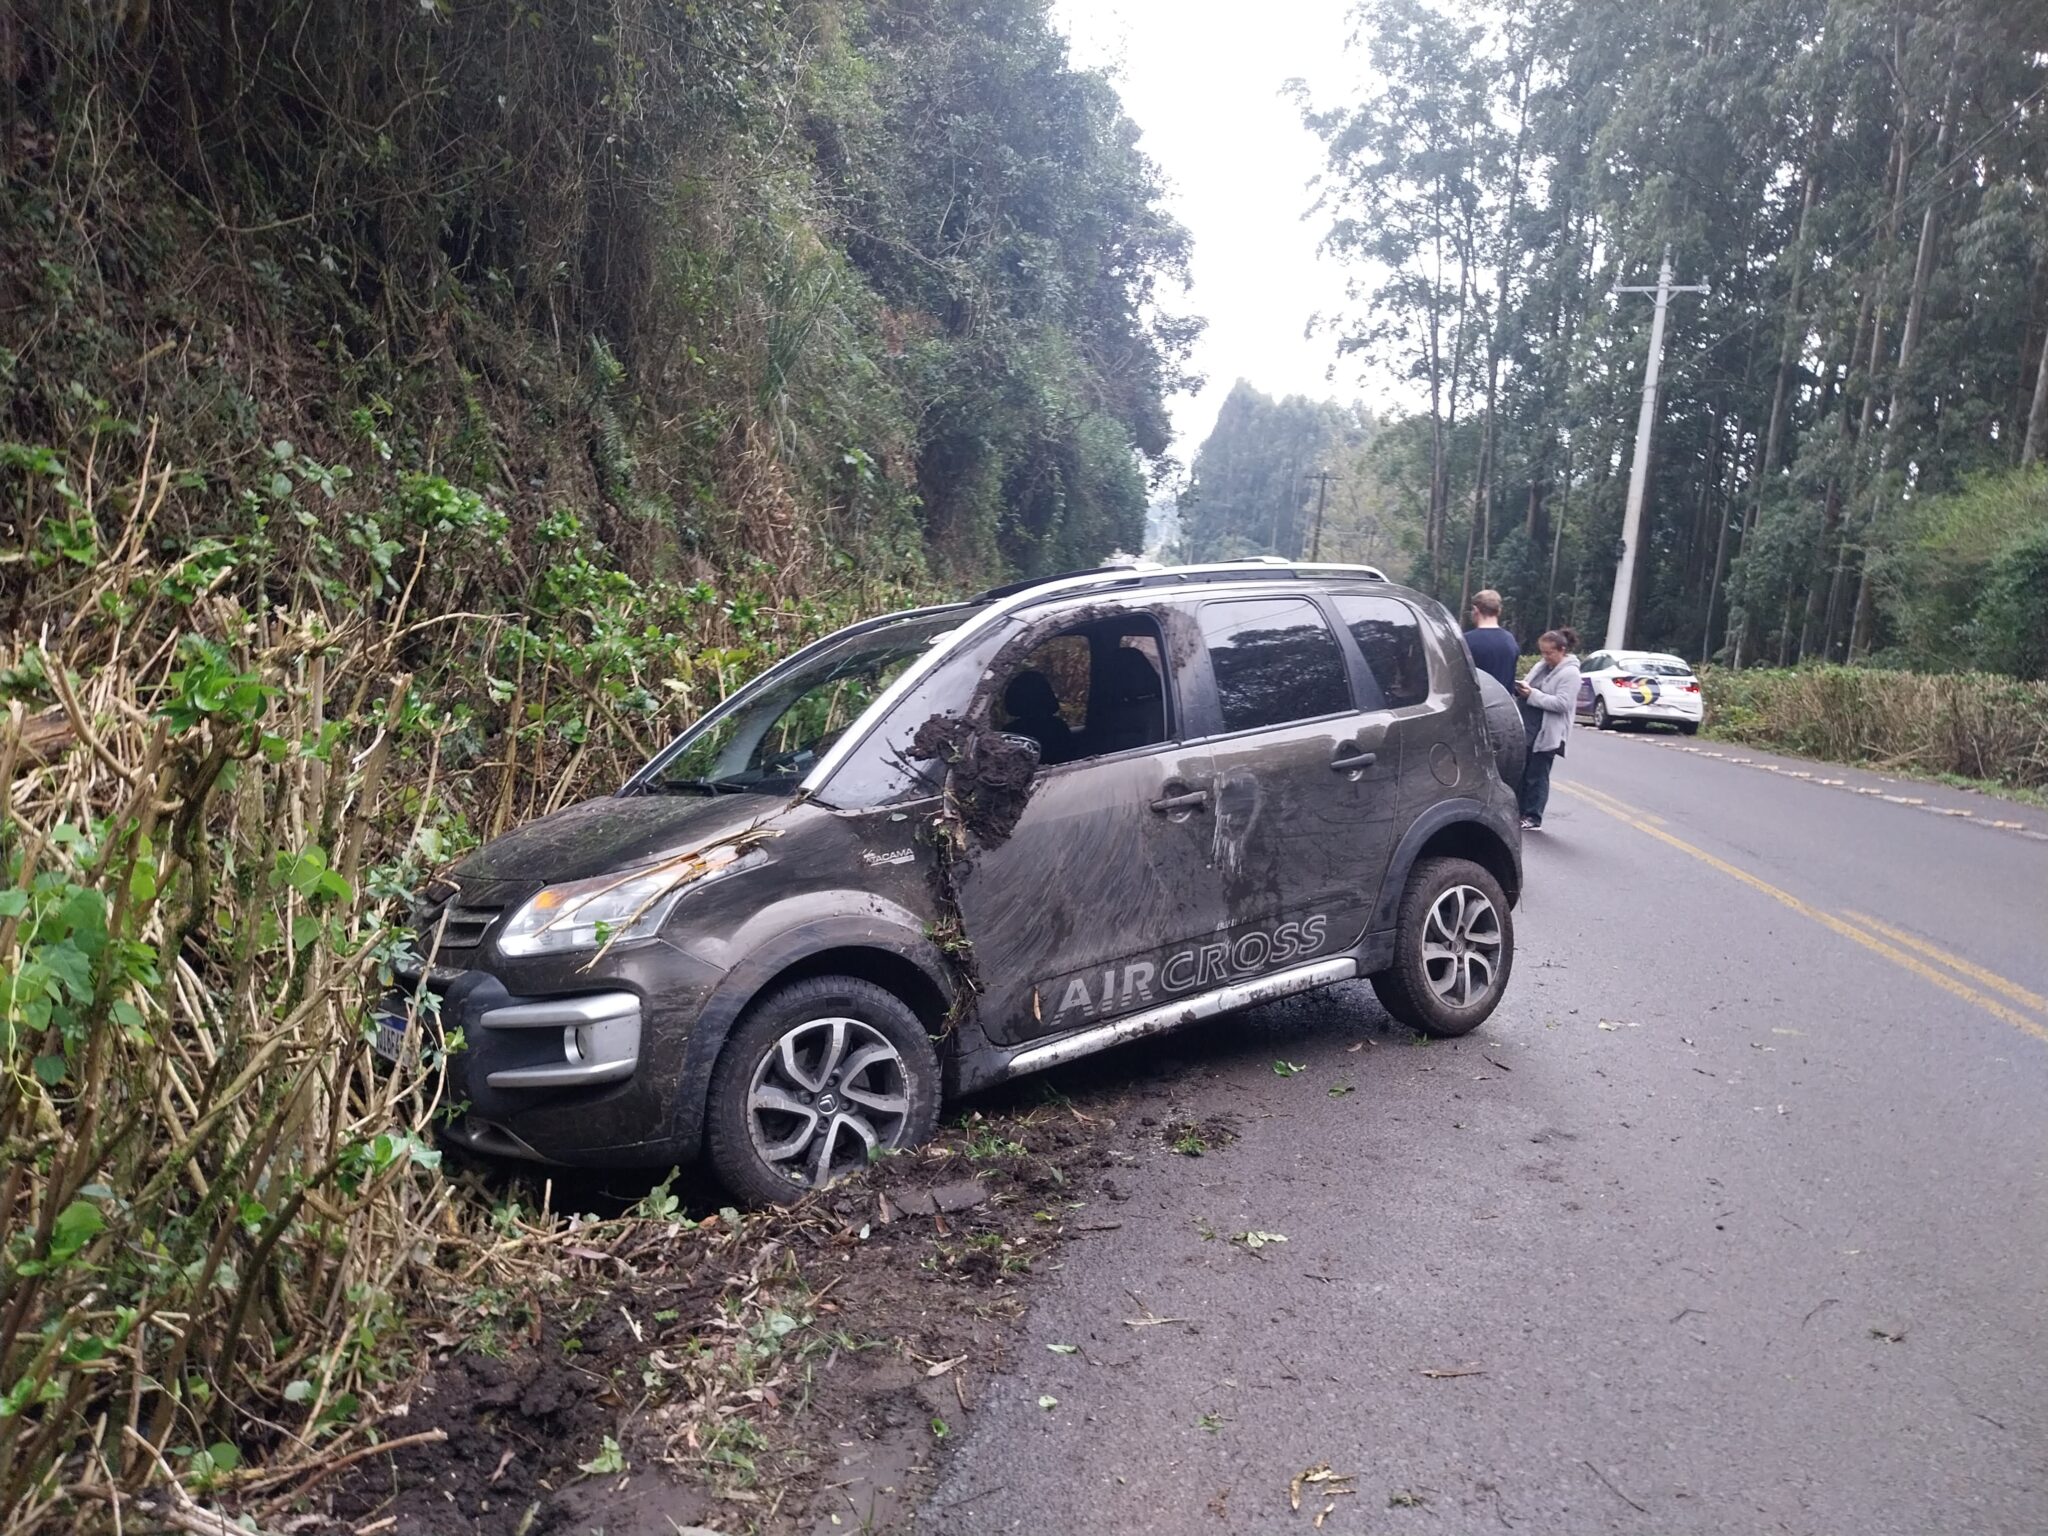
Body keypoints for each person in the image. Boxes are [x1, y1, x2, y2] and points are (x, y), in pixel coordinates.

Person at [1514, 627, 1581, 831]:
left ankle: (1534, 816)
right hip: (1529, 726)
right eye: (1543, 652)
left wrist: (1532, 695)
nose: (1546, 657)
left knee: (1538, 775)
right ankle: (1519, 811)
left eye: (1549, 653)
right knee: (1523, 772)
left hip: (1548, 731)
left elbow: (1563, 703)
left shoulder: (1570, 673)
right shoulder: (1542, 666)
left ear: (1562, 650)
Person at [1463, 589, 1519, 694]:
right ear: (1499, 611)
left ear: (1475, 610)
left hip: (1476, 707)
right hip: (1504, 706)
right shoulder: (1510, 640)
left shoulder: (1466, 641)